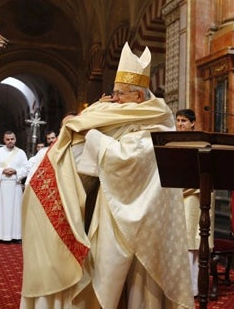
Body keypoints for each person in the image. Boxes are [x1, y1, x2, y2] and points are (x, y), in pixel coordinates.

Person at [20, 42, 194, 309]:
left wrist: (91, 136)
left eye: (120, 93)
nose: (115, 99)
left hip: (144, 215)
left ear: (138, 96)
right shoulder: (127, 113)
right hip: (117, 200)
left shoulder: (159, 121)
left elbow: (126, 156)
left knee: (138, 284)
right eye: (114, 92)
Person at [175, 109, 215, 297]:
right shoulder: (173, 143)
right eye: (178, 120)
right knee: (182, 242)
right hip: (179, 197)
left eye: (184, 120)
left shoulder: (202, 144)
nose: (180, 124)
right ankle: (182, 285)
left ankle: (194, 287)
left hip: (197, 197)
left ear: (193, 123)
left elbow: (203, 174)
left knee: (194, 243)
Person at [0, 130, 28, 242]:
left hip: (15, 186)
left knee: (15, 211)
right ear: (4, 140)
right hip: (2, 186)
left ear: (15, 139)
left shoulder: (21, 153)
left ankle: (15, 236)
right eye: (8, 139)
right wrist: (2, 170)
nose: (10, 141)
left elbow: (26, 168)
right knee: (0, 210)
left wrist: (16, 171)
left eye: (12, 139)